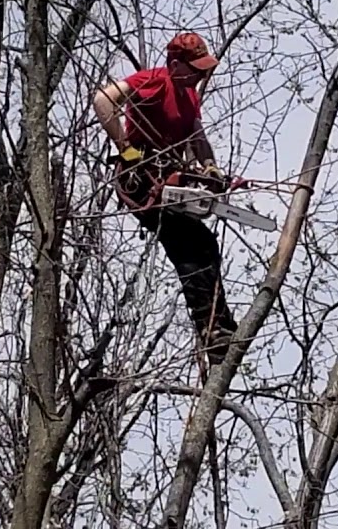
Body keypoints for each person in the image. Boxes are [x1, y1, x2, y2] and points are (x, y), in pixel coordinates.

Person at [91, 31, 239, 365]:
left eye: (203, 68)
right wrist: (124, 148)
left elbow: (196, 134)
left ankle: (218, 324)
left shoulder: (190, 96)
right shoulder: (155, 81)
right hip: (142, 178)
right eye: (194, 68)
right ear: (175, 64)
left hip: (168, 175)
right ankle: (211, 329)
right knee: (190, 244)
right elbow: (103, 100)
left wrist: (209, 166)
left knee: (204, 245)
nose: (200, 74)